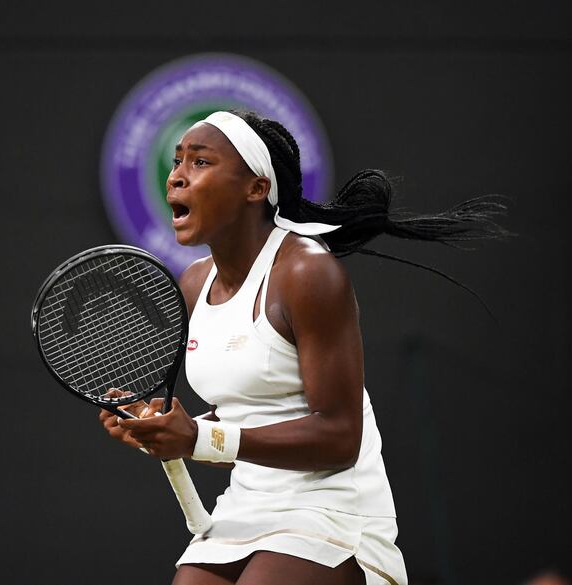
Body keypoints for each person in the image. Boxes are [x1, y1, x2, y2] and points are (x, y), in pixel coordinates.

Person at [98, 110, 507, 585]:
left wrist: (199, 440)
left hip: (333, 510)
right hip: (246, 506)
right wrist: (163, 428)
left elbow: (339, 437)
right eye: (177, 162)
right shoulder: (194, 283)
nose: (176, 178)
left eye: (201, 162)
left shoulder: (307, 272)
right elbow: (246, 414)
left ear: (256, 188)